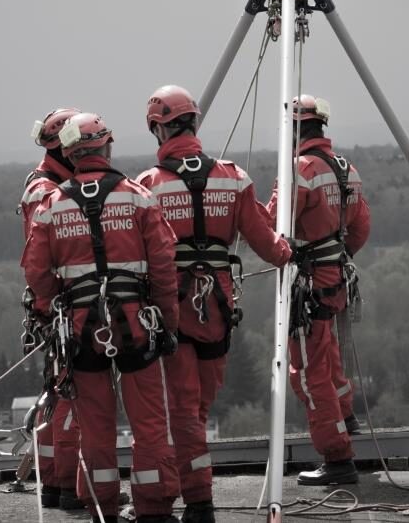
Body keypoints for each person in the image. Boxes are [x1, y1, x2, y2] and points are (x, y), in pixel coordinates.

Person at [136, 85, 291, 523]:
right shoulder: (234, 177)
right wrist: (289, 254)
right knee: (199, 406)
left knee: (182, 408)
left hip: (173, 305)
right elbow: (265, 242)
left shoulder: (148, 186)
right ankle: (194, 493)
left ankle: (199, 501)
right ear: (194, 123)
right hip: (219, 307)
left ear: (159, 128)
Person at [22, 112, 182, 523]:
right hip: (136, 325)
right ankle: (154, 509)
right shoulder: (137, 197)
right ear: (106, 147)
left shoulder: (50, 207)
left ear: (71, 155)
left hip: (80, 331)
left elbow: (37, 273)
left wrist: (46, 314)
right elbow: (163, 264)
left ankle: (102, 510)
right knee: (148, 422)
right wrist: (166, 320)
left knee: (95, 427)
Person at [267, 94, 370, 486]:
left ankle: (337, 457)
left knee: (308, 374)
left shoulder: (300, 170)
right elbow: (360, 226)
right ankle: (345, 419)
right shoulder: (346, 169)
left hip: (309, 282)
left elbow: (276, 224)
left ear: (294, 129)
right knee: (329, 359)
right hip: (336, 277)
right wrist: (336, 257)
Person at [18, 107, 84, 510]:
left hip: (54, 307)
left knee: (58, 396)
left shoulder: (48, 183)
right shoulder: (47, 190)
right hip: (62, 307)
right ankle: (66, 487)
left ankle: (56, 487)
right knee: (70, 399)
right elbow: (42, 261)